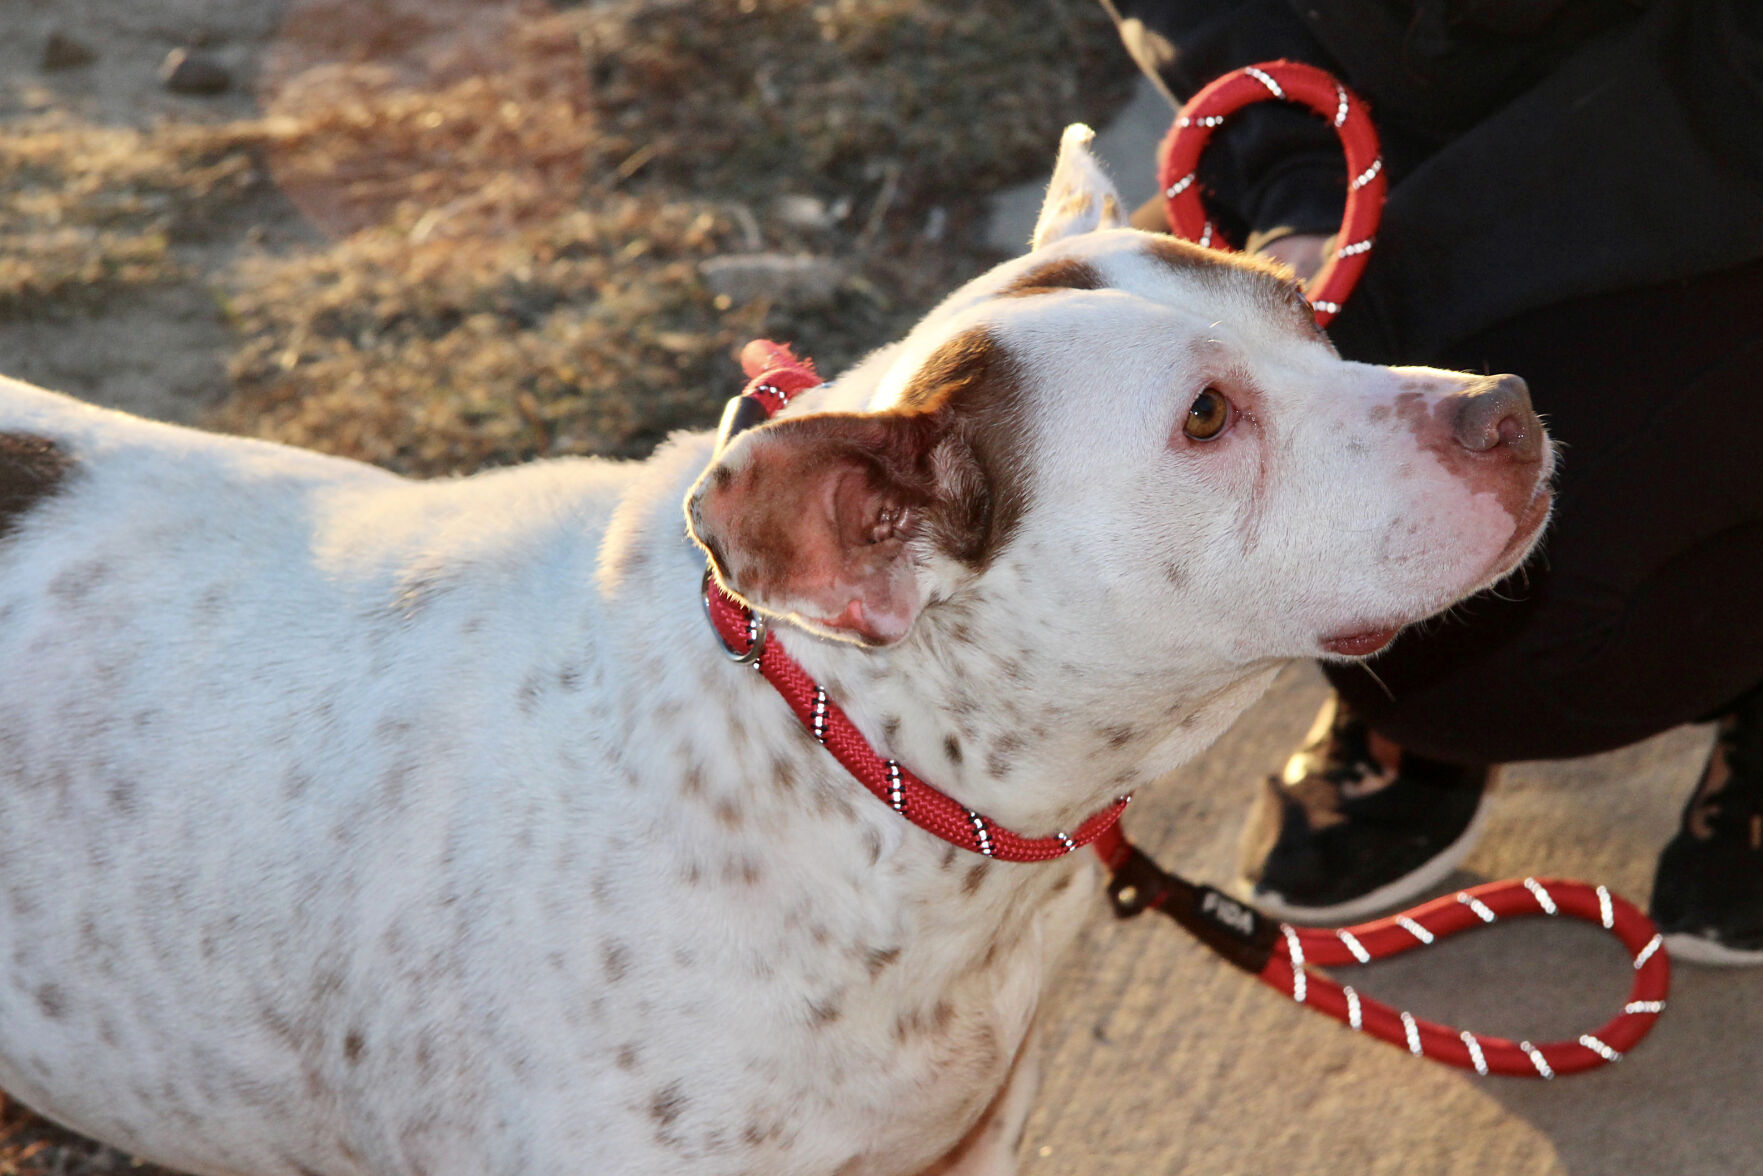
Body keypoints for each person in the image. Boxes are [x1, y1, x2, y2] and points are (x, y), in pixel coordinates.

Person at [1097, 0, 1763, 962]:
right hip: (1439, 107)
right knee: (1120, 337)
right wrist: (1297, 180)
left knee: (1491, 660)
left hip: (1712, 117)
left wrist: (1406, 277)